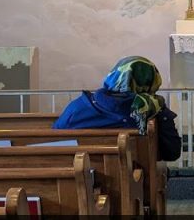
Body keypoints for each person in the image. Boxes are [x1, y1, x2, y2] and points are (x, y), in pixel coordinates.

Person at [53, 56, 182, 161]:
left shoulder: (76, 108)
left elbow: (55, 144)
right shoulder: (153, 110)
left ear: (114, 75)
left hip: (76, 179)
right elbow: (172, 153)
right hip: (134, 182)